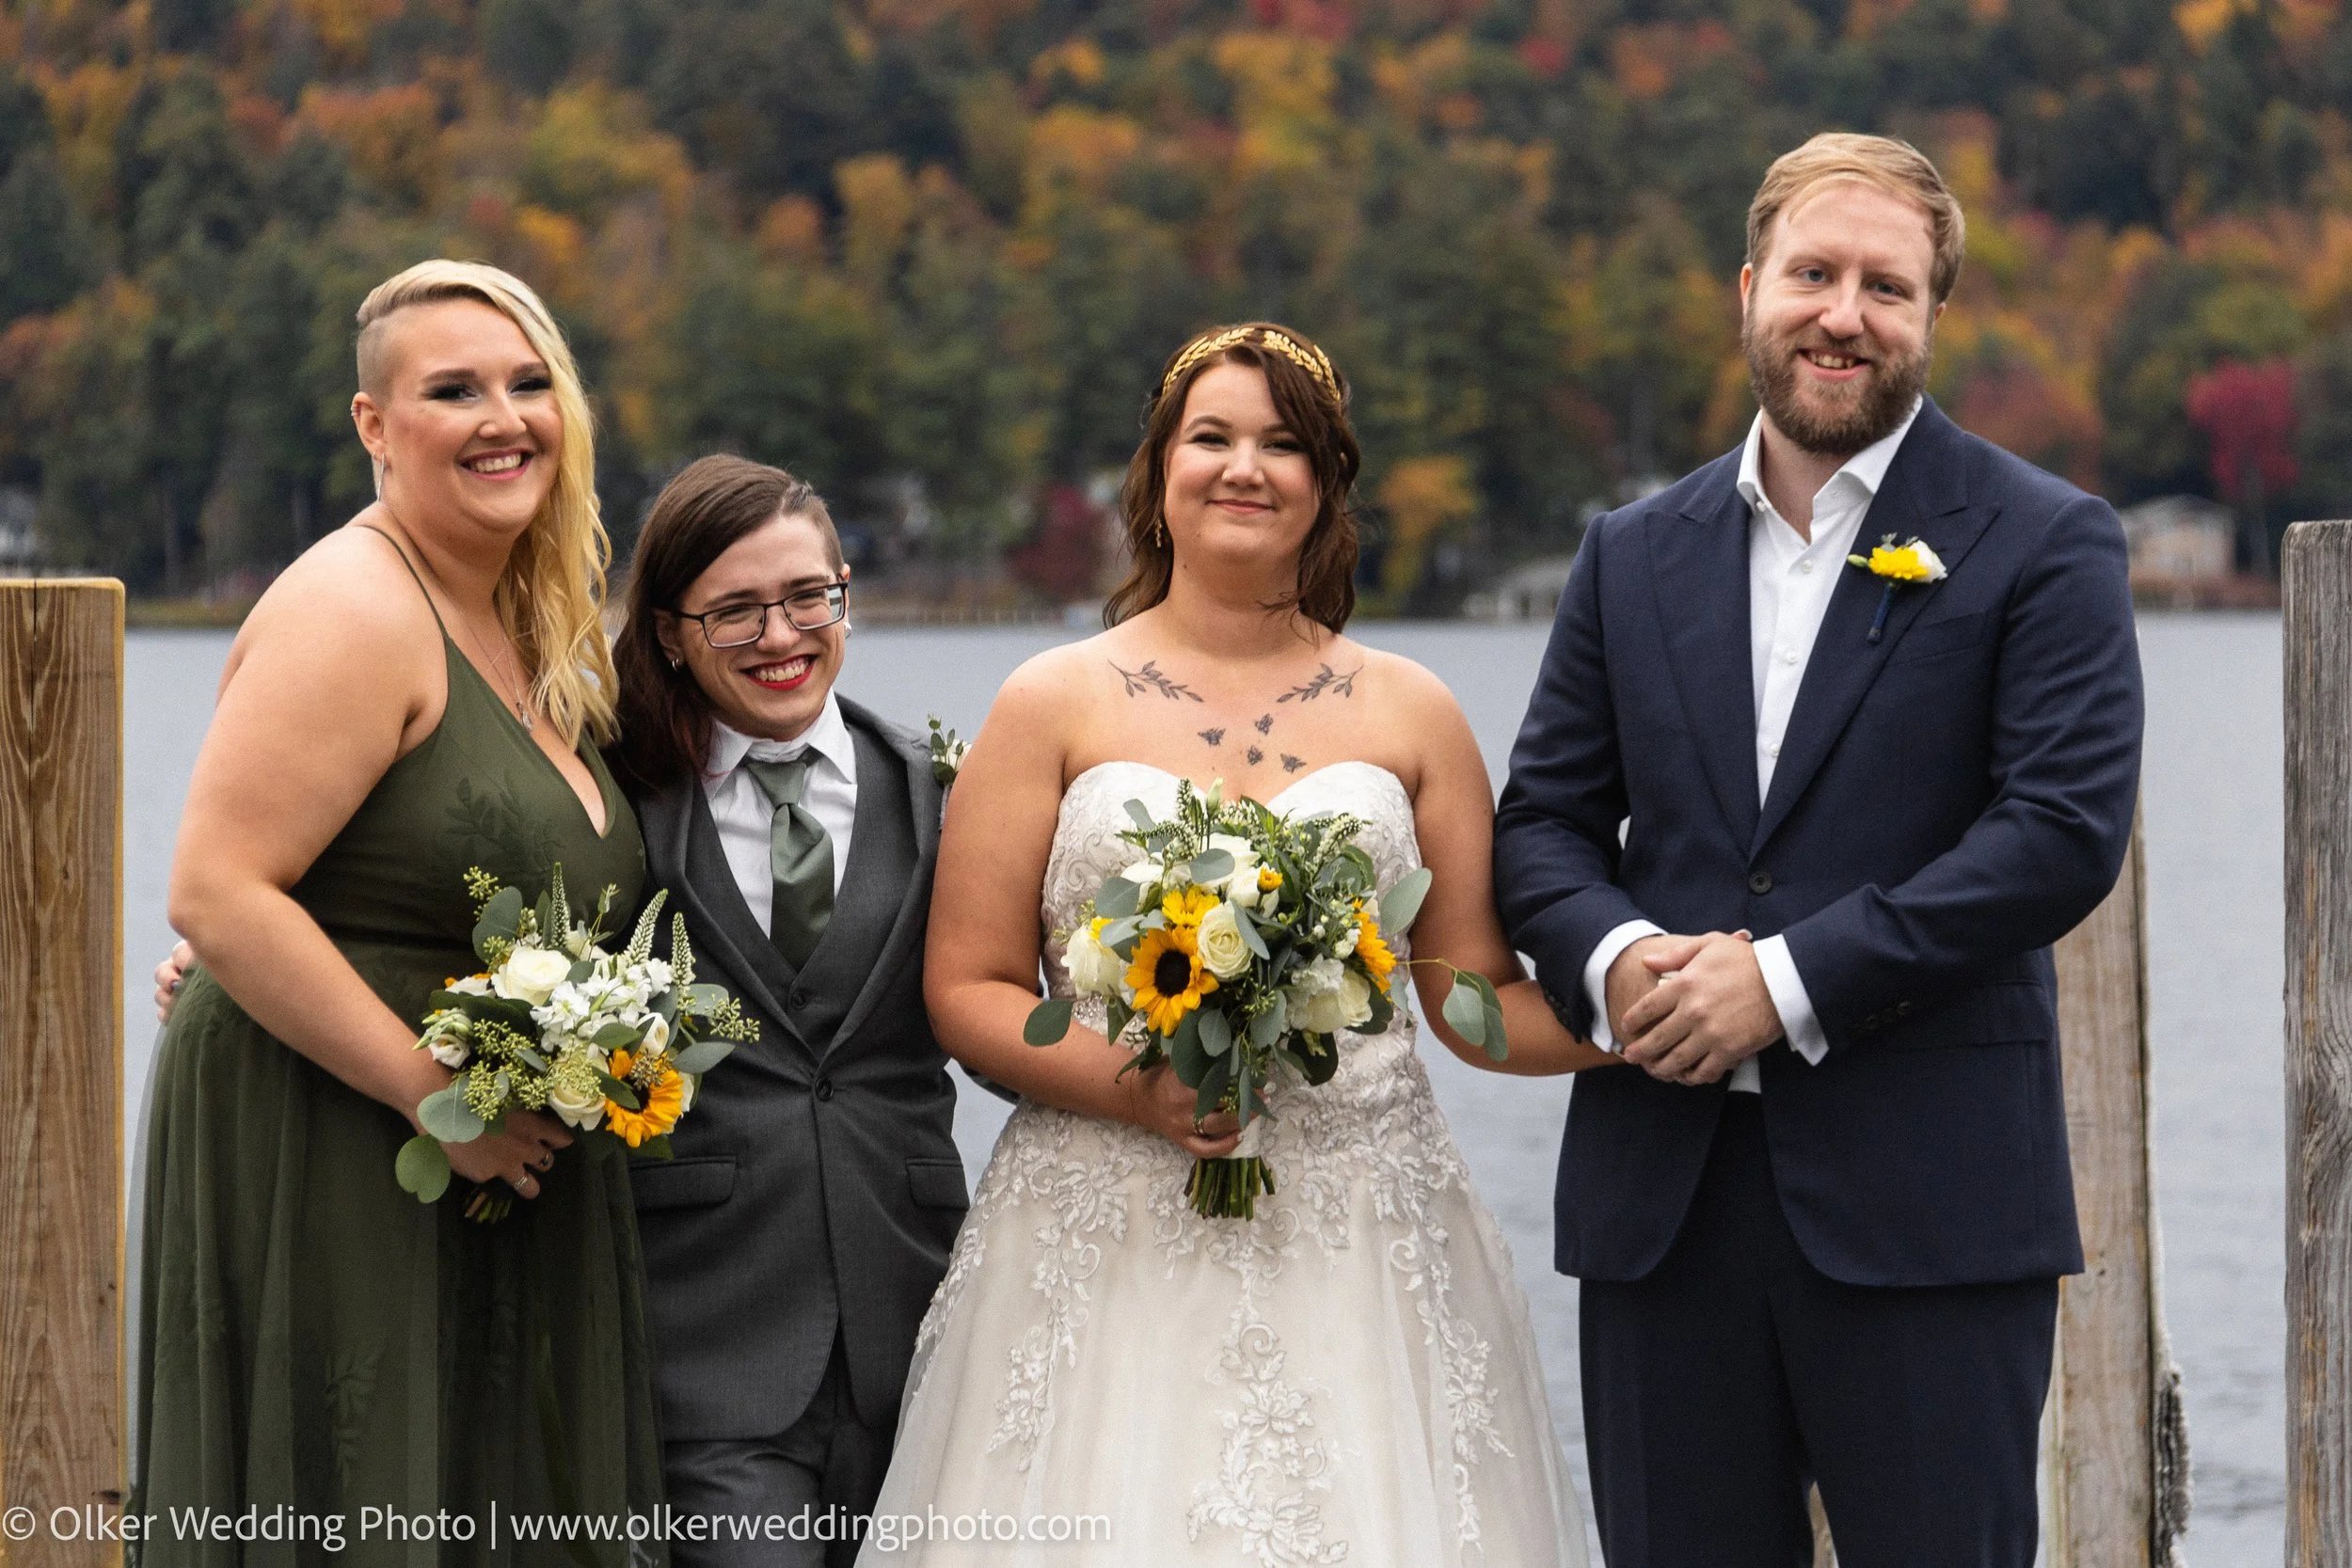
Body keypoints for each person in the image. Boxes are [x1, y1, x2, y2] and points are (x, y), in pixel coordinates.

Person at [1493, 133, 2145, 1567]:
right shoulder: (1629, 551)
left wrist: (1785, 983)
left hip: (1931, 1210)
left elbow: (2058, 834)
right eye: (1813, 274)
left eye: (1886, 287)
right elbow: (1541, 823)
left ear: (1933, 315)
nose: (1843, 314)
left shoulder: (2046, 539)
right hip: (1663, 1205)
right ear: (1750, 289)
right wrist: (1620, 959)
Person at [860, 323, 1607, 1566]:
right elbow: (968, 987)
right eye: (1211, 437)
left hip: (1364, 1239)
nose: (1244, 467)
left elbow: (1476, 997)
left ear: (1328, 482)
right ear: (1159, 472)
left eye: (1282, 443)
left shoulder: (1415, 710)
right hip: (1104, 1229)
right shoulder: (1049, 699)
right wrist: (1138, 1087)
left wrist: (1652, 1012)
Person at [135, 260, 665, 1559]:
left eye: (529, 383)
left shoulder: (517, 619)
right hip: (338, 1151)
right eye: (454, 390)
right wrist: (443, 1100)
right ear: (374, 424)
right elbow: (217, 888)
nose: (505, 417)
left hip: (463, 1161)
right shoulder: (354, 605)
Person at [609, 455, 969, 1566]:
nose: (781, 635)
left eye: (808, 596)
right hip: (709, 1336)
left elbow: (1011, 1010)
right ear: (670, 632)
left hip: (919, 1321)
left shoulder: (937, 791)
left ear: (844, 592)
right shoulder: (614, 798)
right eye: (735, 610)